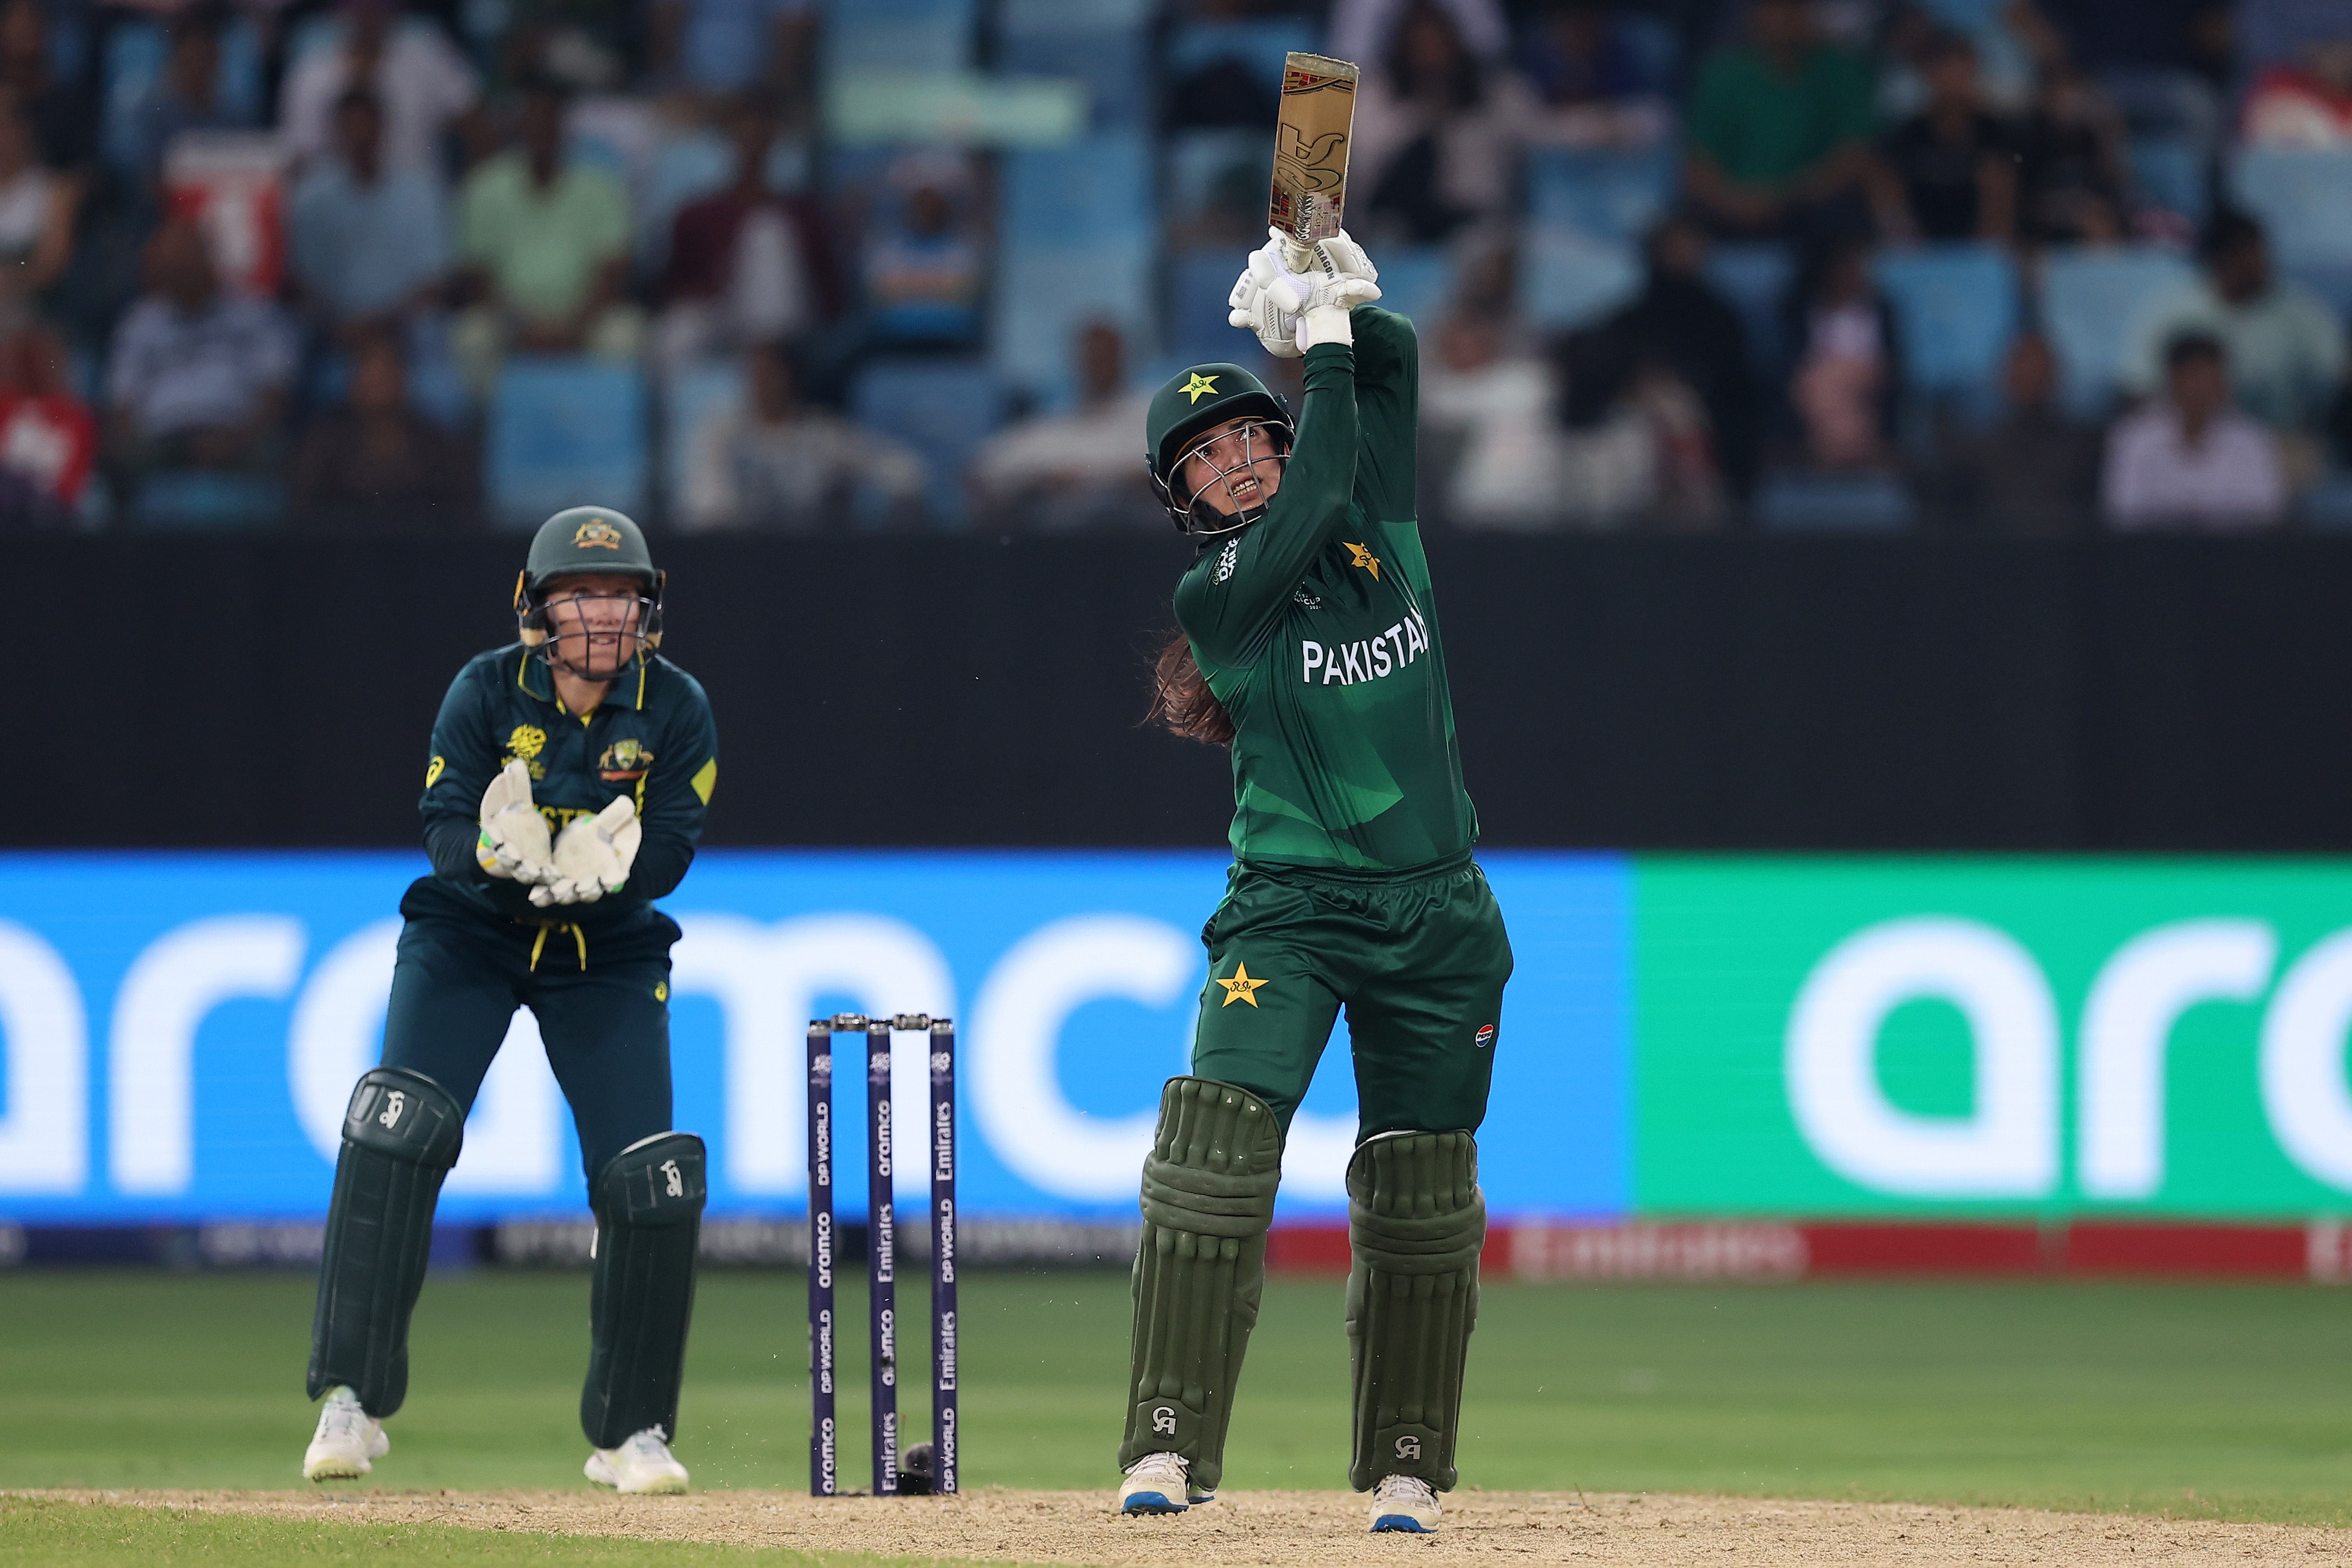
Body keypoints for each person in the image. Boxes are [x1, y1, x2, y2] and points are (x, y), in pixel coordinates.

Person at [1115, 228, 1512, 1537]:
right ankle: (1168, 1443)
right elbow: (1325, 463)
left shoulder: (1379, 529)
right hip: (1288, 913)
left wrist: (1349, 299)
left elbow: (1385, 388)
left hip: (1437, 914)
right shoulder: (1220, 592)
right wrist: (1318, 355)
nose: (1237, 459)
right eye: (1204, 456)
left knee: (1422, 1193)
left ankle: (1409, 1462)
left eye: (1251, 434)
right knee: (1213, 1163)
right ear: (1183, 499)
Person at [301, 507, 718, 1494]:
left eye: (621, 596)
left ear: (648, 609)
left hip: (606, 949)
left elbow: (671, 846)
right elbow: (444, 817)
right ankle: (351, 1400)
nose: (604, 614)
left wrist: (611, 870)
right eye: (582, 594)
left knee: (647, 1178)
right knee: (397, 1128)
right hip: (472, 932)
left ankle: (631, 1431)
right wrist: (492, 853)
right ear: (537, 607)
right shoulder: (485, 688)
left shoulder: (677, 704)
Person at [2125, 211, 2347, 477]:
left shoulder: (2299, 310)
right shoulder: (2172, 310)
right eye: (2249, 256)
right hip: (2189, 442)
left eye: (2262, 254)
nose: (2262, 264)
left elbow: (2341, 373)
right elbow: (2135, 392)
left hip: (2280, 444)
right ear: (2221, 261)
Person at [453, 79, 638, 392]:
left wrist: (574, 328)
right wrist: (520, 327)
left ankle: (596, 418)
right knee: (473, 336)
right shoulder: (485, 186)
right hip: (510, 318)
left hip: (583, 315)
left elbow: (614, 269)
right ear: (519, 130)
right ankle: (494, 421)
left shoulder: (598, 186)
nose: (541, 131)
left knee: (623, 337)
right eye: (533, 122)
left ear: (563, 129)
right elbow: (477, 274)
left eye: (548, 121)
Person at [654, 93, 838, 376]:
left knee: (768, 231)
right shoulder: (697, 213)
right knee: (675, 335)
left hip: (789, 328)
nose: (751, 144)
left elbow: (830, 291)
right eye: (743, 134)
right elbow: (677, 285)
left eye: (759, 134)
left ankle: (769, 367)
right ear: (729, 140)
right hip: (717, 315)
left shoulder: (803, 213)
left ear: (772, 139)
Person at [104, 217, 295, 488]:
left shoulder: (253, 312)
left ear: (208, 261)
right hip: (163, 438)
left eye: (186, 265)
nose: (180, 275)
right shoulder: (140, 324)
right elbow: (123, 403)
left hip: (236, 431)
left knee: (277, 453)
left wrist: (236, 441)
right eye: (171, 268)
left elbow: (274, 391)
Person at [677, 339, 924, 531]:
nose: (762, 384)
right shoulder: (722, 434)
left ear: (791, 379)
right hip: (742, 553)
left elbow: (903, 472)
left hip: (809, 553)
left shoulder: (822, 435)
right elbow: (706, 506)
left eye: (770, 374)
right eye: (755, 375)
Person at [1682, 0, 1875, 240]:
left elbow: (1854, 156)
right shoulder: (1723, 74)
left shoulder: (1843, 71)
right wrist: (1736, 202)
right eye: (1775, 7)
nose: (1785, 17)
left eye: (1795, 7)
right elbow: (1700, 163)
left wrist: (1785, 197)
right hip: (1731, 209)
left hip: (1811, 210)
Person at [1350, 0, 1535, 245]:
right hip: (1394, 232)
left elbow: (1540, 142)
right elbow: (1365, 184)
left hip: (1477, 230)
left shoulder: (1500, 101)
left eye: (1439, 46)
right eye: (1420, 49)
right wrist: (1421, 120)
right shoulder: (1371, 102)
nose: (1431, 58)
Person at [288, 86, 452, 338]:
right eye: (350, 127)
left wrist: (382, 326)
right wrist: (345, 327)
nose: (359, 136)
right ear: (336, 132)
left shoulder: (420, 193)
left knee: (431, 332)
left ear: (383, 128)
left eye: (366, 125)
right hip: (334, 329)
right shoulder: (311, 198)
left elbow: (433, 281)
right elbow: (303, 282)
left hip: (405, 327)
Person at [970, 320, 1157, 530]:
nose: (1099, 366)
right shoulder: (1055, 426)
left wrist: (1093, 480)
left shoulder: (1152, 417)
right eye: (1092, 358)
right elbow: (984, 470)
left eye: (1106, 357)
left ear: (1123, 359)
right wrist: (1041, 480)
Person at [288, 331, 477, 531]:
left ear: (403, 379)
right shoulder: (324, 444)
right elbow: (303, 512)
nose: (379, 384)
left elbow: (462, 513)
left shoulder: (436, 445)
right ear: (353, 382)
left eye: (387, 374)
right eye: (370, 375)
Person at [2103, 332, 2287, 529]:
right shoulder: (2135, 437)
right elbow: (2121, 511)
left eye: (2212, 379)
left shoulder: (2252, 440)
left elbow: (2267, 512)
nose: (2203, 390)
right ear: (2173, 378)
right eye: (2195, 378)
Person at [279, 0, 481, 178]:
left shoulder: (427, 54)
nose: (369, 9)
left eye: (378, 3)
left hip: (417, 202)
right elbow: (300, 160)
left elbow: (479, 128)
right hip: (337, 204)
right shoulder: (310, 76)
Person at [1929, 333, 2102, 532]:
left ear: (2056, 377)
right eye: (2023, 366)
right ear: (2004, 377)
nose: (2031, 374)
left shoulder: (2085, 448)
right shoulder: (1977, 452)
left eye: (2039, 369)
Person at [1869, 32, 2015, 244]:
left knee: (1998, 175)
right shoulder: (1905, 136)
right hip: (1918, 246)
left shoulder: (1997, 133)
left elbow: (2003, 196)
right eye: (1947, 71)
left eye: (1962, 73)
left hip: (1981, 248)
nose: (1955, 82)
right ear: (1929, 74)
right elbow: (1888, 191)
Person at [1784, 238, 1901, 470]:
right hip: (1819, 387)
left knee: (1833, 387)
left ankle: (1844, 451)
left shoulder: (1882, 310)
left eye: (1856, 268)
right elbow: (1794, 366)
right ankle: (1842, 450)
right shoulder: (1801, 310)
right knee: (1820, 386)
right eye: (1844, 269)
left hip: (1868, 382)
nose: (1851, 275)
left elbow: (1893, 363)